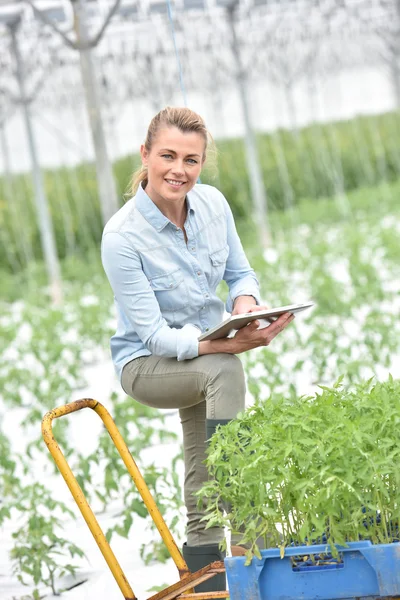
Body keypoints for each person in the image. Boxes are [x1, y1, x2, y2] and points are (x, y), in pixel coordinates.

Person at [101, 106, 294, 594]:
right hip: (147, 366)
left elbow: (241, 274)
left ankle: (205, 570)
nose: (178, 170)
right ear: (145, 155)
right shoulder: (121, 237)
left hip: (204, 353)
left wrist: (247, 308)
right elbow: (154, 338)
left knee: (202, 455)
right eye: (167, 156)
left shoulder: (213, 205)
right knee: (225, 371)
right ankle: (251, 541)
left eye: (191, 160)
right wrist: (226, 343)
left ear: (202, 163)